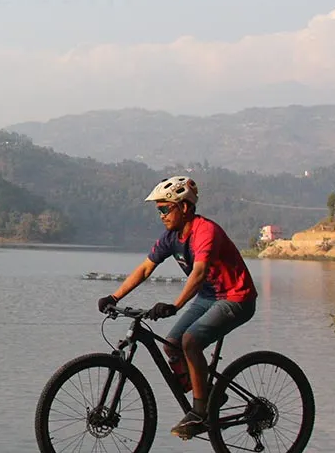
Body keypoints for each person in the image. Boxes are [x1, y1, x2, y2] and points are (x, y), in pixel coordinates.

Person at [96, 176, 258, 439]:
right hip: (208, 297)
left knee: (191, 342)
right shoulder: (171, 237)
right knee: (172, 344)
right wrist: (115, 297)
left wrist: (175, 305)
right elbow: (146, 268)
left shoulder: (206, 232)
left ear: (184, 207)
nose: (160, 215)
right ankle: (208, 393)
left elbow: (199, 271)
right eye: (158, 210)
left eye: (164, 208)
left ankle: (200, 411)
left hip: (236, 297)